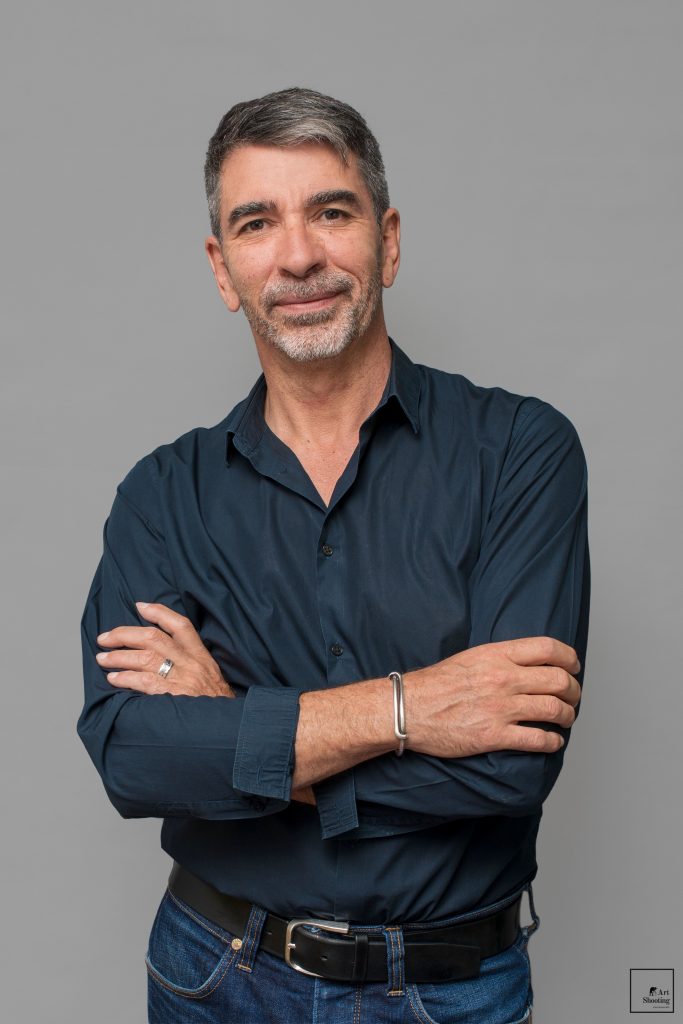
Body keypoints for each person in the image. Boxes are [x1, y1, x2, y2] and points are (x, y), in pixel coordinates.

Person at [77, 86, 589, 1024]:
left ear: (386, 241)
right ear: (222, 268)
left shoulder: (520, 451)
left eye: (330, 212)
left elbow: (509, 767)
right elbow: (135, 757)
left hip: (449, 991)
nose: (298, 256)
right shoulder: (162, 495)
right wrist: (409, 709)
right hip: (212, 976)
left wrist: (233, 731)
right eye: (256, 223)